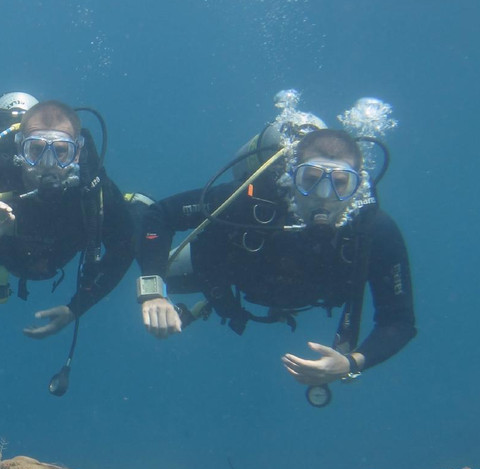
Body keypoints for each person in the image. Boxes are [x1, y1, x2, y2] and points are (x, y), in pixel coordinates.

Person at [137, 127, 416, 392]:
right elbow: (161, 215)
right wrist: (152, 290)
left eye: (340, 183)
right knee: (144, 249)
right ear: (290, 177)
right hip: (224, 274)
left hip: (275, 286)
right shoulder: (248, 199)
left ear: (358, 187)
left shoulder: (374, 231)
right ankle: (130, 205)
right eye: (311, 179)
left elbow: (399, 321)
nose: (323, 196)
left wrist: (351, 363)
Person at [0, 99, 142, 338]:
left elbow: (124, 246)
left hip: (43, 259)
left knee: (141, 215)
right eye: (36, 150)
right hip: (4, 255)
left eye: (61, 151)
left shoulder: (92, 189)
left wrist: (77, 307)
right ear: (19, 149)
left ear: (78, 153)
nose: (48, 165)